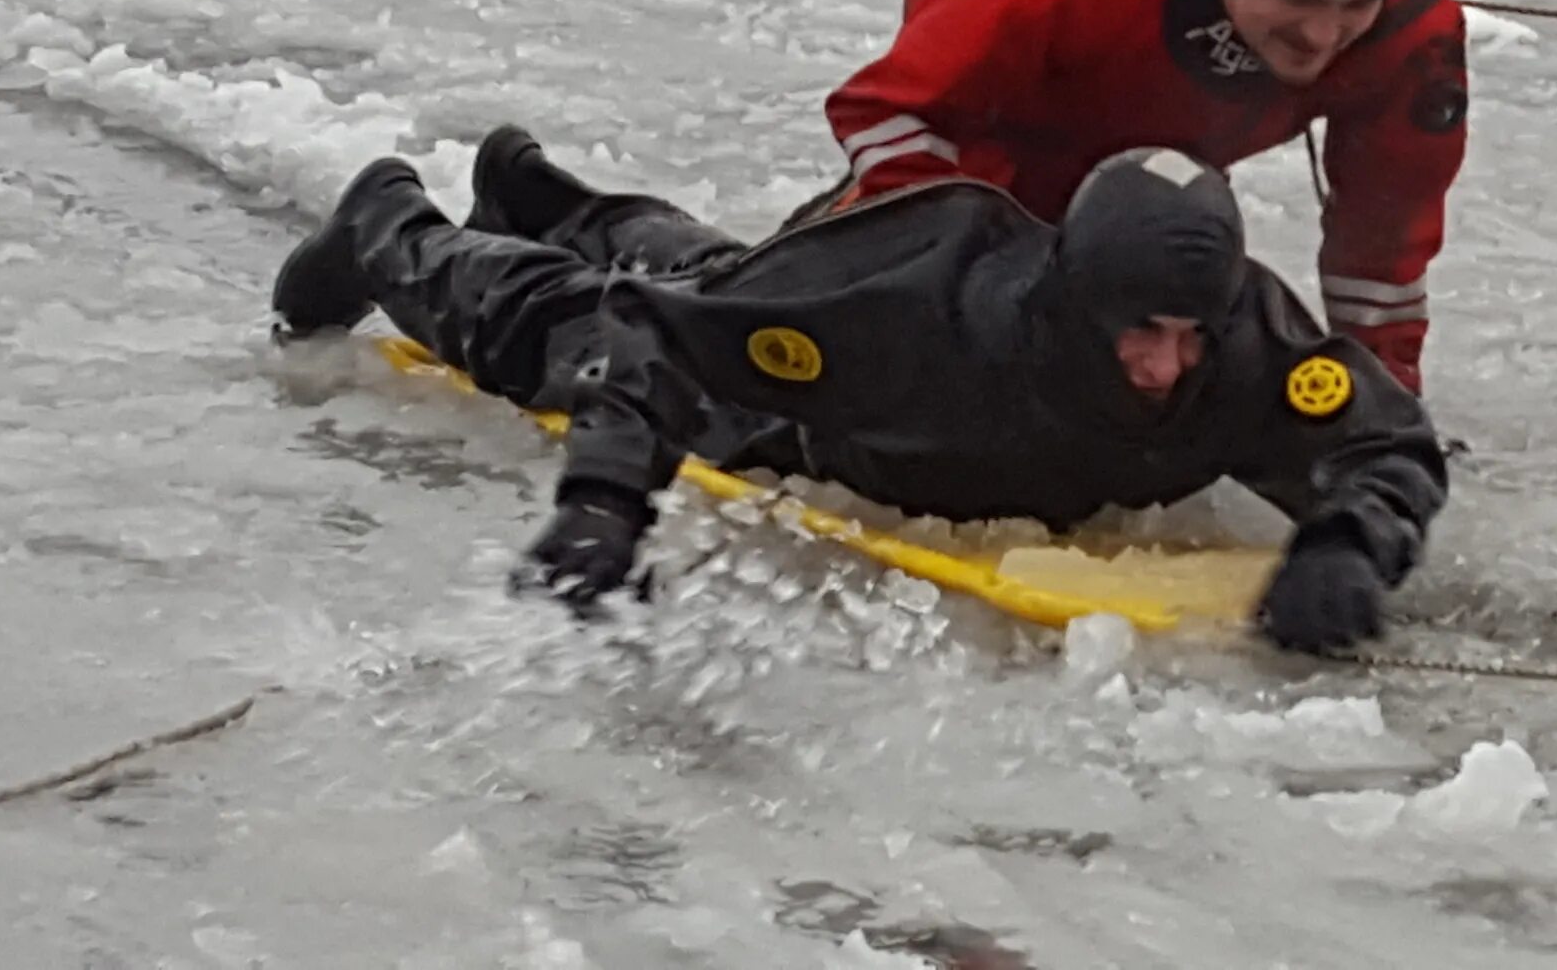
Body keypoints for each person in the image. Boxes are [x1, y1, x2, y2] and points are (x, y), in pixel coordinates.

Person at [271, 132, 1449, 654]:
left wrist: (1353, 535)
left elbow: (1384, 442)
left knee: (700, 267)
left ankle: (546, 191)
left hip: (799, 303)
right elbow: (651, 344)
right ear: (1074, 301)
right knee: (568, 323)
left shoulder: (1243, 343)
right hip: (793, 408)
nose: (1166, 366)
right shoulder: (925, 305)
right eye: (1138, 333)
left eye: (1189, 336)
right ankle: (390, 217)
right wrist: (603, 502)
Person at [801, 0, 1469, 394]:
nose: (1322, 37)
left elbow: (1385, 241)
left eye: (1352, 8)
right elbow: (885, 109)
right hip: (1009, 113)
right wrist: (959, 284)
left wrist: (1382, 400)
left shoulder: (1412, 36)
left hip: (1171, 143)